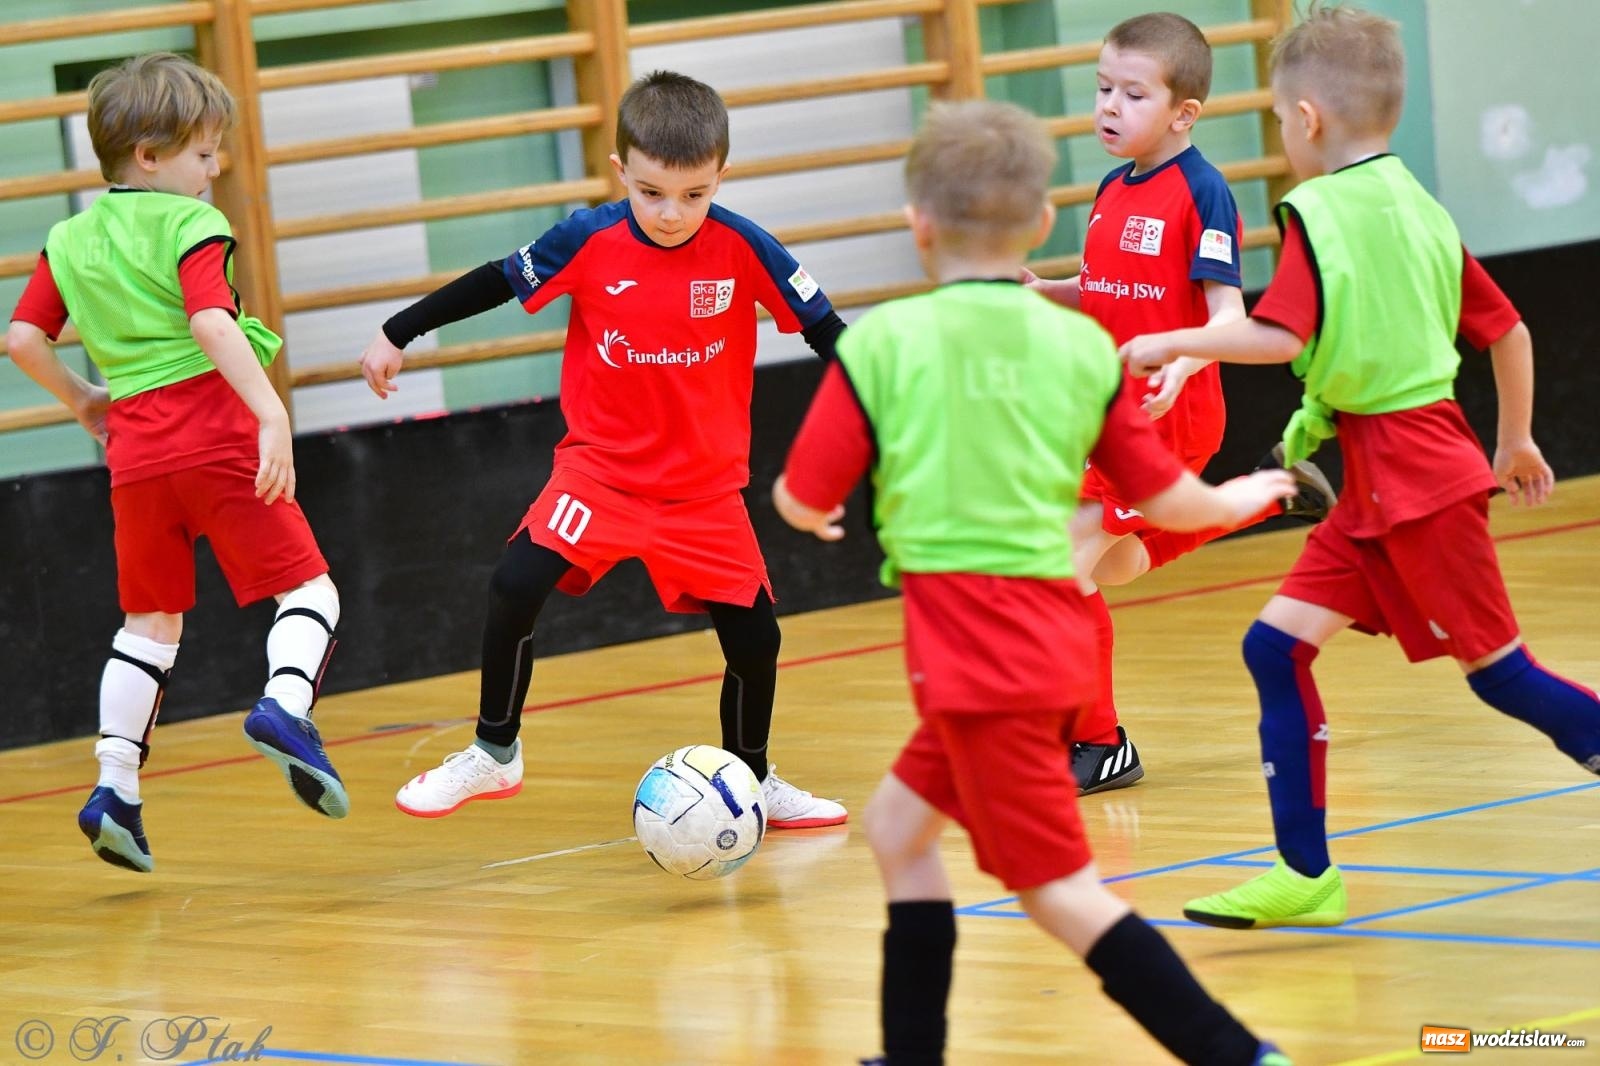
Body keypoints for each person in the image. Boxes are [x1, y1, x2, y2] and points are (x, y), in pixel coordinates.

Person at [774, 99, 1293, 1066]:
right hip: (1037, 649)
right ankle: (911, 1053)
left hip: (982, 670)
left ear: (915, 224)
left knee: (1061, 895)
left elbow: (801, 494)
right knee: (896, 831)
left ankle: (1240, 1056)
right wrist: (1247, 498)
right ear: (1045, 228)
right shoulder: (1078, 349)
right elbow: (1169, 499)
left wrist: (814, 513)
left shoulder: (882, 346)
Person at [1121, 2, 1600, 929]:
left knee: (1501, 673)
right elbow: (1508, 327)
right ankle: (1306, 874)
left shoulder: (1324, 214)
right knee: (1274, 647)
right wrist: (1516, 438)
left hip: (1416, 478)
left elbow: (1275, 331)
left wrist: (1165, 342)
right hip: (1387, 474)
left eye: (1277, 120)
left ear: (1304, 121)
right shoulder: (1416, 204)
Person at [358, 70, 848, 829]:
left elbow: (830, 337)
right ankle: (494, 752)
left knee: (755, 638)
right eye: (652, 192)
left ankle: (751, 780)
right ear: (621, 171)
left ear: (721, 177)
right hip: (602, 475)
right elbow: (495, 280)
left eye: (695, 195)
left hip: (705, 492)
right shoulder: (586, 238)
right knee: (517, 581)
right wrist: (400, 329)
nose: (672, 213)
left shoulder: (746, 247)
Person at [6, 53, 348, 874]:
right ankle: (285, 708)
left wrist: (86, 400)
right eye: (204, 153)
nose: (216, 166)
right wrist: (270, 409)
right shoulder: (192, 224)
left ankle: (114, 787)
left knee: (149, 627)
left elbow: (20, 339)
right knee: (311, 591)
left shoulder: (69, 236)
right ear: (151, 158)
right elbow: (210, 324)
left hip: (134, 454)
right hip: (214, 432)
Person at [1028, 12, 1337, 795]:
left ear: (1183, 112)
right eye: (1102, 89)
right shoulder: (1107, 187)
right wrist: (1045, 291)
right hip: (1101, 418)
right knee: (1119, 566)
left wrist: (1184, 357)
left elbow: (1227, 314)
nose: (1108, 107)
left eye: (1132, 94)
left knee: (1059, 568)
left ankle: (1096, 743)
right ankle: (1268, 495)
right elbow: (1104, 292)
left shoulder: (1203, 191)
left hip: (1168, 419)